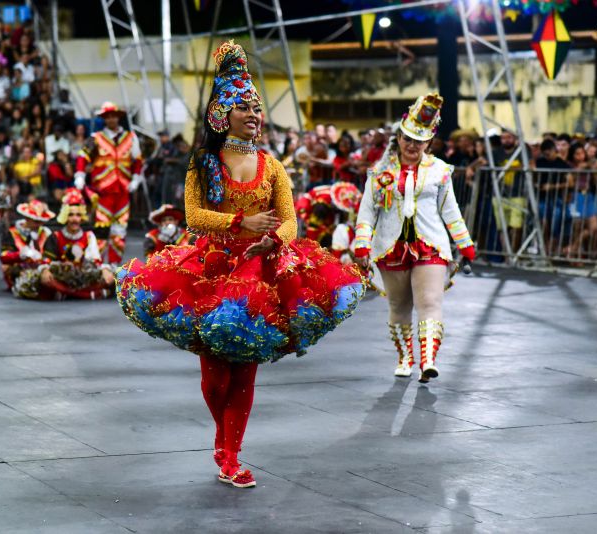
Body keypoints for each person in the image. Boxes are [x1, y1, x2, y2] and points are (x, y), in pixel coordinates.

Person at [116, 41, 365, 489]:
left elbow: (290, 221)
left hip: (261, 273)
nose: (254, 114)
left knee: (245, 364)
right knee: (215, 375)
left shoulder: (273, 166)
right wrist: (239, 220)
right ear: (221, 115)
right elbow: (193, 217)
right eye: (244, 107)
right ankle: (221, 438)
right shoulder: (204, 163)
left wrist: (272, 239)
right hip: (209, 270)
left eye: (256, 107)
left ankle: (231, 454)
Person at [354, 93, 475, 382]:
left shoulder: (440, 171)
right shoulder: (380, 172)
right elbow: (367, 211)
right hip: (390, 246)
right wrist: (362, 243)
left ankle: (428, 360)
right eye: (408, 139)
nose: (412, 146)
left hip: (430, 244)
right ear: (399, 138)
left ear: (428, 142)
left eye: (419, 141)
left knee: (430, 302)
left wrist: (465, 243)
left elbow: (450, 210)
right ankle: (405, 356)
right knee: (398, 306)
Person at [74, 102, 144, 264]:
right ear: (104, 119)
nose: (111, 119)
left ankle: (114, 265)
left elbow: (138, 160)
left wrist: (136, 179)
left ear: (119, 117)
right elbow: (82, 157)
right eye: (108, 117)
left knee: (119, 231)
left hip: (123, 191)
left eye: (113, 116)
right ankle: (97, 265)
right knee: (101, 229)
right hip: (103, 193)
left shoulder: (130, 137)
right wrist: (80, 175)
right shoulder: (96, 138)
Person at [35, 188, 115, 300]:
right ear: (65, 217)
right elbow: (46, 261)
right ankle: (92, 294)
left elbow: (95, 261)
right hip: (61, 276)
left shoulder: (88, 236)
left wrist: (105, 271)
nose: (75, 219)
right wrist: (45, 270)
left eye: (78, 215)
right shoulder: (55, 237)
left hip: (82, 276)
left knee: (114, 277)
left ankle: (65, 293)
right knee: (44, 281)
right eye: (71, 215)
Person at [0, 199, 54, 291]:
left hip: (42, 267)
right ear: (27, 218)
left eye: (41, 221)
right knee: (6, 267)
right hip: (20, 268)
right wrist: (20, 255)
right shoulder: (12, 233)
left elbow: (52, 255)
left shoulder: (46, 233)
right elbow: (4, 256)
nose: (39, 225)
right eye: (36, 221)